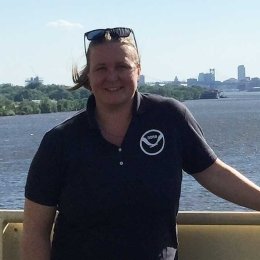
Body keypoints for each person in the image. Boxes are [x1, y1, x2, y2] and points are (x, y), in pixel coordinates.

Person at [22, 27, 260, 260]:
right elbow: (35, 232)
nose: (112, 76)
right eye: (101, 68)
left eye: (122, 66)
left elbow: (214, 173)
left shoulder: (169, 117)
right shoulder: (60, 142)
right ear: (89, 76)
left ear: (138, 70)